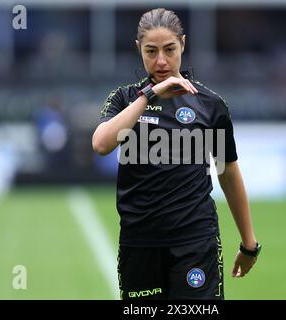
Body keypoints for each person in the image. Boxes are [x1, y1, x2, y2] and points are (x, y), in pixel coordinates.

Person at [92, 8, 260, 300]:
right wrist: (150, 95)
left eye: (169, 49)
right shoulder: (125, 99)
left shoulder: (210, 105)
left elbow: (228, 174)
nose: (161, 61)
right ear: (138, 49)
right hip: (139, 243)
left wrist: (249, 244)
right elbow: (101, 144)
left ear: (183, 44)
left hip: (195, 241)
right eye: (151, 51)